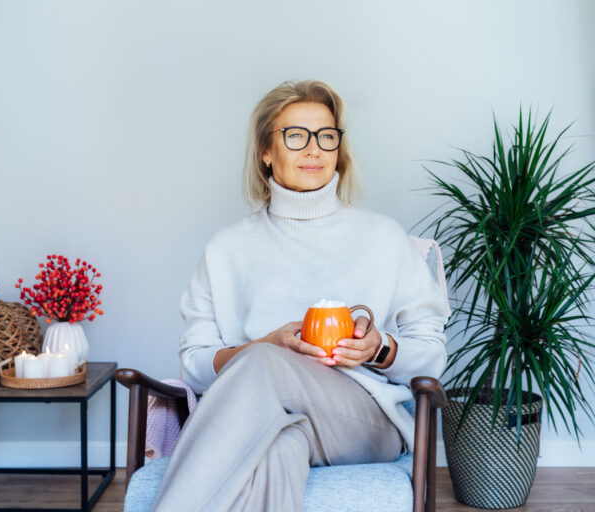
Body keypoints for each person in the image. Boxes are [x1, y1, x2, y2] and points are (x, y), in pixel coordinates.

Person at [150, 80, 448, 512]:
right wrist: (262, 347)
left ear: (338, 150)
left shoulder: (383, 238)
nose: (314, 150)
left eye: (326, 136)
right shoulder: (226, 249)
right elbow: (195, 367)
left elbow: (433, 357)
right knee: (279, 445)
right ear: (265, 152)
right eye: (296, 136)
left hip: (364, 420)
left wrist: (378, 348)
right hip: (265, 414)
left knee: (263, 363)